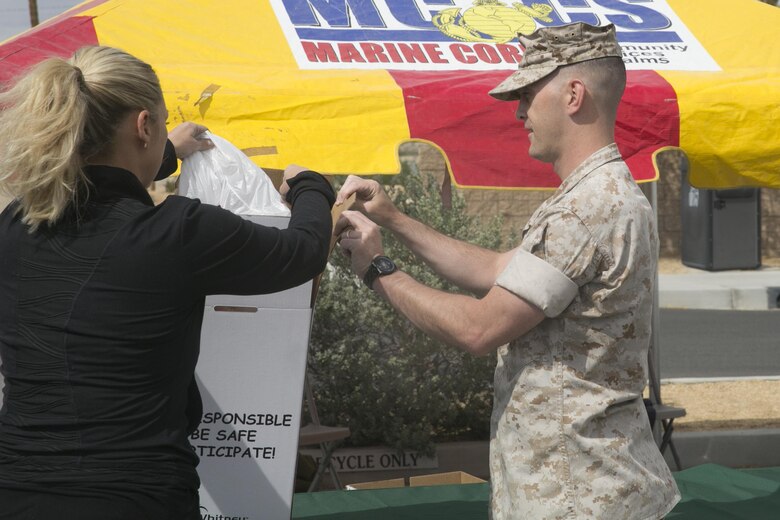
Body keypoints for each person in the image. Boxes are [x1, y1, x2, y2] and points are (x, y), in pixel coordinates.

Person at [335, 23, 679, 520]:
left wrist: (377, 269)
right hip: (590, 484)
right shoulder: (605, 196)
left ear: (574, 95)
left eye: (528, 93)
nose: (519, 112)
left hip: (575, 495)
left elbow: (480, 328)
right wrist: (393, 219)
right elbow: (502, 270)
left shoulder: (584, 211)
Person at [0, 46, 334, 519]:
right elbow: (302, 253)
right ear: (143, 126)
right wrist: (311, 187)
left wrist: (168, 152)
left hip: (15, 493)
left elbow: (98, 184)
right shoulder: (177, 233)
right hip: (137, 497)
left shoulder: (16, 226)